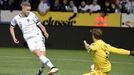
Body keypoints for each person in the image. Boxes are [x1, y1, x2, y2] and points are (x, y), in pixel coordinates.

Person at [9, 1, 59, 75]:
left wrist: (45, 32)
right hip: (29, 38)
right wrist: (14, 37)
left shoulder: (32, 15)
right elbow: (11, 27)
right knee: (41, 56)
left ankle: (52, 67)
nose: (29, 11)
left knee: (40, 55)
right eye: (27, 10)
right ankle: (41, 71)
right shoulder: (16, 18)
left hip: (38, 35)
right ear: (23, 8)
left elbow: (40, 25)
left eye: (29, 10)